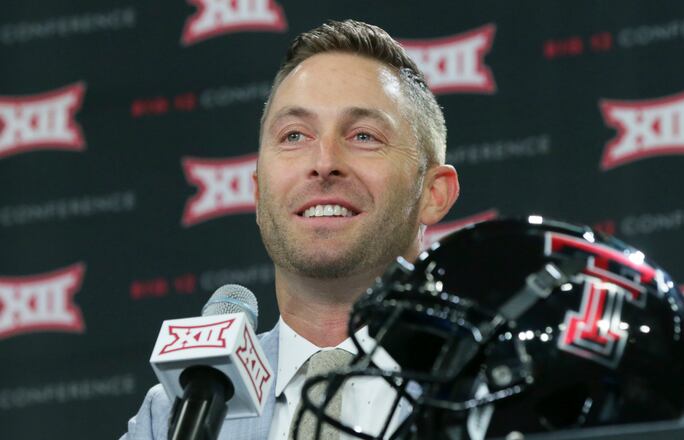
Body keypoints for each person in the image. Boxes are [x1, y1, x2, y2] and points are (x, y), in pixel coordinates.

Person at [121, 19, 460, 440]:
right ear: (260, 193)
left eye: (363, 136)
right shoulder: (177, 413)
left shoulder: (489, 389)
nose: (323, 162)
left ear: (434, 193)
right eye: (295, 134)